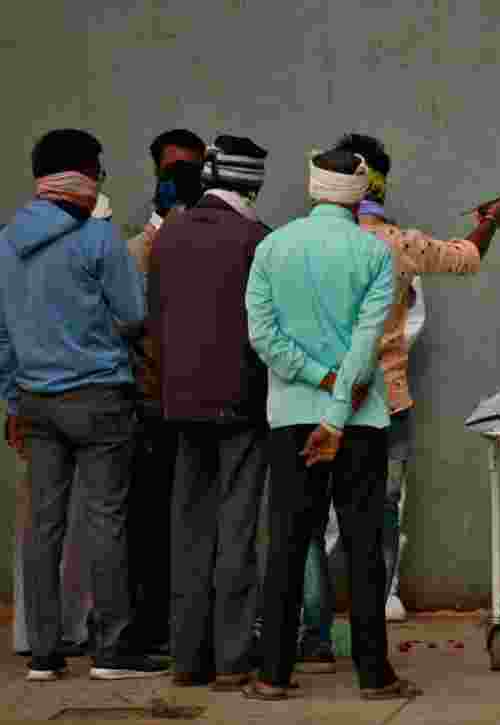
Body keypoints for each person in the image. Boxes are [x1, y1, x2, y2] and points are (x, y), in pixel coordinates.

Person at [292, 133, 500, 673]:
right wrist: (489, 222)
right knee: (378, 518)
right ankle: (372, 640)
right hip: (382, 404)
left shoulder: (289, 244)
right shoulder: (398, 244)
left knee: (308, 517)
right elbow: (465, 257)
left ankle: (315, 635)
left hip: (314, 403)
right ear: (377, 183)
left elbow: (266, 329)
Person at [243, 148, 420, 701]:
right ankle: (374, 674)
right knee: (365, 546)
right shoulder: (373, 253)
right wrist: (339, 408)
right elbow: (368, 345)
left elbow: (263, 337)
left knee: (289, 544)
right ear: (360, 189)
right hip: (361, 423)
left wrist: (316, 382)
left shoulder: (272, 247)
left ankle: (273, 672)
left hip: (291, 419)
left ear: (313, 187)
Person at [0, 129, 167, 680]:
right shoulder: (98, 240)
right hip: (99, 399)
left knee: (42, 527)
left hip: (34, 401)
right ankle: (112, 650)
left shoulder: (6, 242)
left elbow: (2, 336)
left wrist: (12, 401)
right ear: (84, 175)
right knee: (105, 524)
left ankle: (43, 654)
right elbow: (132, 312)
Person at [148, 135, 272, 690]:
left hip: (179, 402)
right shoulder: (256, 239)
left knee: (190, 530)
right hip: (241, 403)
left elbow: (154, 319)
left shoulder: (168, 234)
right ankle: (231, 657)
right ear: (252, 183)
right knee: (237, 531)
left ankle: (186, 658)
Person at [122, 128, 207, 658]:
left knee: (196, 519)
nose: (180, 179)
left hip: (197, 399)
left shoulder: (208, 241)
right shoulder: (134, 249)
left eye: (190, 170)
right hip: (152, 402)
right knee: (151, 522)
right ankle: (153, 626)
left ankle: (191, 626)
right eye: (172, 170)